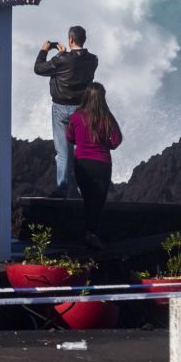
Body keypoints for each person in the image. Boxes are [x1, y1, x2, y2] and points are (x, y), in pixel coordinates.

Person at [34, 26, 98, 197]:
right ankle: (84, 189)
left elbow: (39, 68)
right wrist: (63, 56)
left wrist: (45, 51)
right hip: (84, 109)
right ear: (83, 40)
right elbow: (76, 63)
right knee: (82, 151)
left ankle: (62, 190)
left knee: (63, 153)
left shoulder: (63, 60)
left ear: (70, 40)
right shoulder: (93, 60)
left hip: (61, 109)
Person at [65, 82, 122, 250]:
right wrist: (105, 145)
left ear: (86, 96)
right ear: (102, 98)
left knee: (88, 198)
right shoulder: (106, 117)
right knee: (98, 201)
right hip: (102, 163)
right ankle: (91, 233)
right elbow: (116, 140)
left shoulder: (77, 116)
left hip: (82, 162)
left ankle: (88, 234)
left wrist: (81, 141)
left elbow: (69, 137)